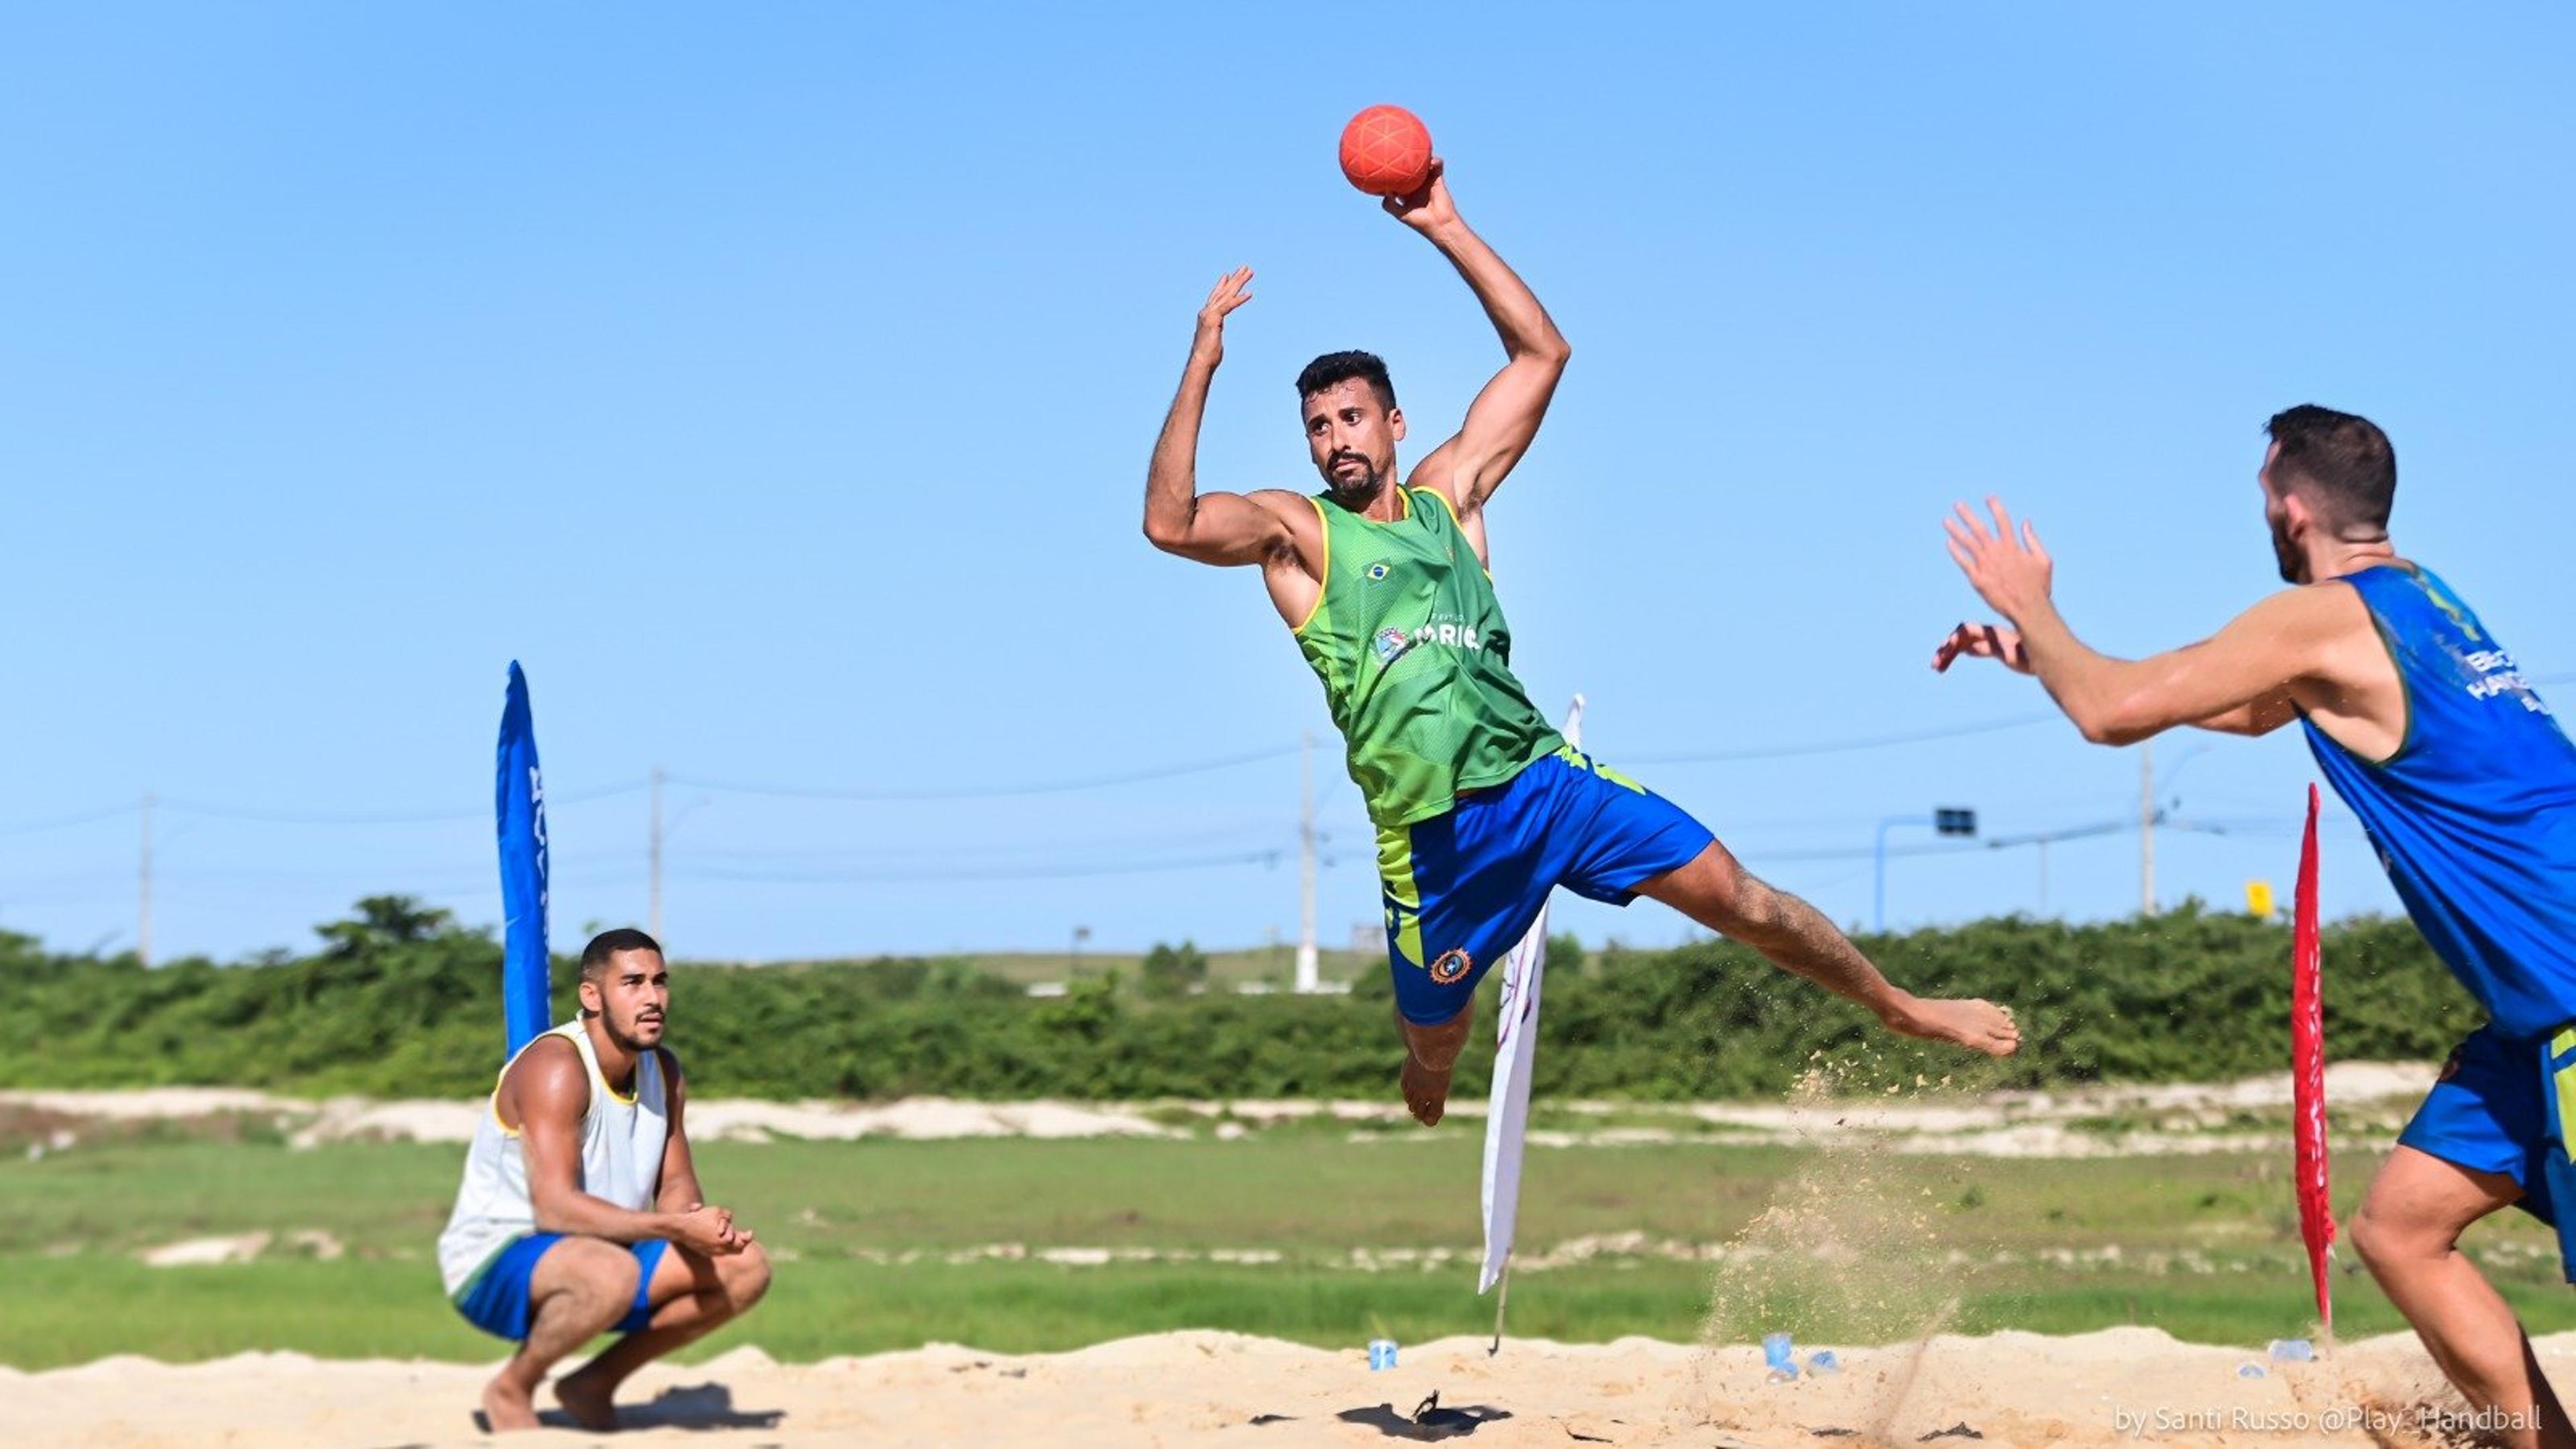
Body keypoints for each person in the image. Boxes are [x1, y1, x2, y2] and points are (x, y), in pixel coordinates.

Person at [1142, 160, 2021, 1127]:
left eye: (1351, 417)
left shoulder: (1452, 499)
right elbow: (1171, 523)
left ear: (1393, 423)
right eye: (1318, 428)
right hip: (1435, 842)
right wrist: (1203, 361)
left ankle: (1900, 1008)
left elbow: (1542, 356)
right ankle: (1428, 1070)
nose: (1335, 439)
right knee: (1436, 1034)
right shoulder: (1298, 537)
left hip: (1543, 784)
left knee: (1745, 901)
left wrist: (1446, 225)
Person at [1936, 405, 2576, 1448]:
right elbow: (2226, 700)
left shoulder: (2324, 617)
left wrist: (2035, 606)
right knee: (2400, 1229)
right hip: (2532, 1017)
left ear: (2287, 506)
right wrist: (2044, 654)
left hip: (2571, 998)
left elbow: (2114, 713)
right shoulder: (2423, 600)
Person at [436, 928, 773, 1432]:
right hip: (499, 1256)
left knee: (745, 1267)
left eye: (660, 982)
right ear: (591, 996)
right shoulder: (556, 1066)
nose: (653, 998)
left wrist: (697, 1222)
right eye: (632, 983)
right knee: (609, 1273)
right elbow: (555, 1209)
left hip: (608, 1246)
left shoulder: (665, 1070)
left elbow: (676, 1181)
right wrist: (678, 1231)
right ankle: (513, 1386)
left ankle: (593, 1383)